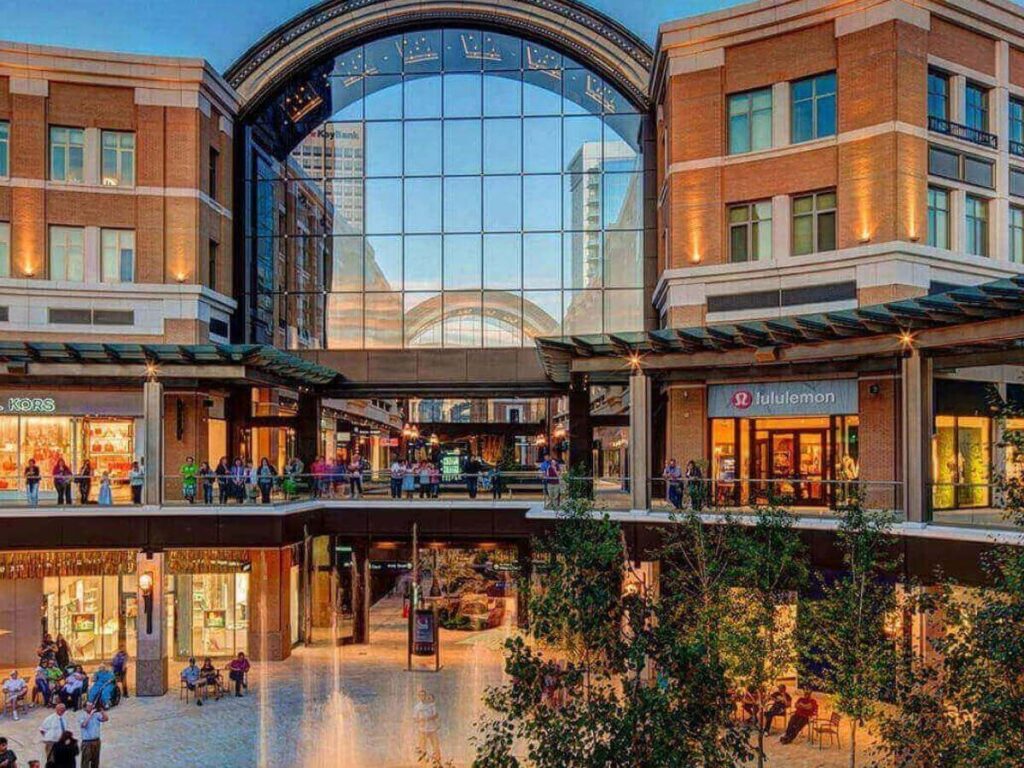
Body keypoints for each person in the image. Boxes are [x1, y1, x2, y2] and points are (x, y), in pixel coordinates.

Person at [413, 689, 441, 764]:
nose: (422, 696)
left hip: (432, 729)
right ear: (419, 696)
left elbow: (436, 715)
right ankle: (423, 764)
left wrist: (428, 719)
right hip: (422, 730)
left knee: (436, 746)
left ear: (425, 696)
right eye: (421, 695)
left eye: (424, 695)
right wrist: (421, 720)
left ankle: (438, 762)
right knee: (422, 747)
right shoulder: (417, 707)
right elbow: (415, 719)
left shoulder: (431, 705)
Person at [78, 700, 107, 768]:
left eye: (91, 705)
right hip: (87, 742)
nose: (91, 707)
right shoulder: (82, 715)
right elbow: (83, 725)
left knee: (95, 761)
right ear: (85, 707)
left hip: (96, 741)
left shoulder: (96, 715)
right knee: (85, 761)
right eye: (89, 706)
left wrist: (102, 711)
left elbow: (106, 719)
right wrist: (90, 715)